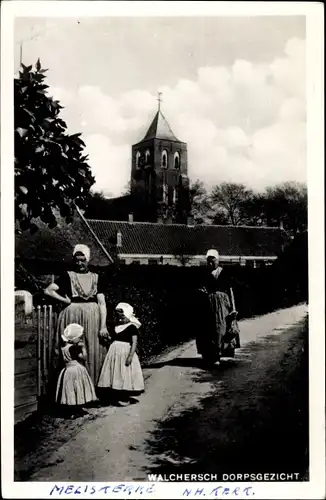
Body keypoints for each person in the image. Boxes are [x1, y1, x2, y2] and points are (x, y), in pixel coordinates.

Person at [44, 244, 110, 386]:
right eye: (77, 260)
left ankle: (92, 388)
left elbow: (102, 303)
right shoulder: (68, 276)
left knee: (92, 350)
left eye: (83, 260)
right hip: (72, 316)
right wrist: (65, 300)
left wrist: (103, 325)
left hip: (93, 317)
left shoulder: (97, 277)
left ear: (88, 259)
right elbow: (48, 290)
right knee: (72, 350)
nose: (79, 263)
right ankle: (71, 388)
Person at [195, 249, 239, 367]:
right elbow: (201, 288)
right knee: (210, 330)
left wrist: (233, 308)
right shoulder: (205, 274)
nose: (210, 264)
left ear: (218, 260)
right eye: (208, 261)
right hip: (208, 305)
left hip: (223, 305)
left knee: (221, 329)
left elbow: (230, 291)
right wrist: (202, 292)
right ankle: (211, 355)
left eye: (213, 261)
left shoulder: (225, 273)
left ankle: (218, 355)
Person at [97, 302, 144, 407]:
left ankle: (124, 395)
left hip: (125, 352)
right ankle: (117, 395)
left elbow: (134, 342)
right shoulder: (117, 327)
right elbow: (113, 339)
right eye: (119, 316)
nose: (121, 318)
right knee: (116, 372)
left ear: (128, 315)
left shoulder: (132, 327)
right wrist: (107, 338)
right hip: (114, 352)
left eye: (123, 315)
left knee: (125, 372)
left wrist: (131, 356)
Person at [56, 323, 97, 418]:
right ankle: (77, 409)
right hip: (76, 369)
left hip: (67, 369)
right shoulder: (73, 348)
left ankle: (72, 411)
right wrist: (83, 348)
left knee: (70, 388)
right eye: (79, 337)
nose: (80, 339)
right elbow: (84, 358)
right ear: (73, 338)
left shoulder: (63, 347)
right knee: (77, 387)